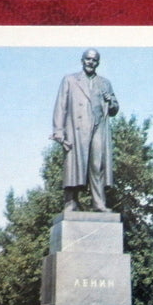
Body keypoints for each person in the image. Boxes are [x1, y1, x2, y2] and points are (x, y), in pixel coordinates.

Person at [51, 48, 120, 213]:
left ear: (98, 62)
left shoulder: (105, 83)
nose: (91, 62)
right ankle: (71, 202)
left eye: (94, 60)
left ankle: (99, 202)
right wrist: (58, 131)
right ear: (82, 60)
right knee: (74, 165)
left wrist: (112, 102)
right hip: (76, 128)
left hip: (98, 128)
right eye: (88, 59)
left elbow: (114, 110)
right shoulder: (70, 80)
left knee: (98, 165)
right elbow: (61, 106)